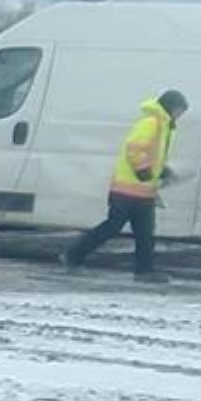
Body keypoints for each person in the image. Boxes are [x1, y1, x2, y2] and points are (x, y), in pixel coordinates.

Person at [63, 89, 189, 277]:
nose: (179, 116)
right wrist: (143, 172)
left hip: (143, 192)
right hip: (127, 190)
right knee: (113, 228)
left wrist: (163, 171)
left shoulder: (163, 127)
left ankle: (144, 271)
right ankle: (73, 255)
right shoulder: (151, 124)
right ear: (170, 107)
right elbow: (135, 150)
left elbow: (153, 156)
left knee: (145, 235)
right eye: (179, 111)